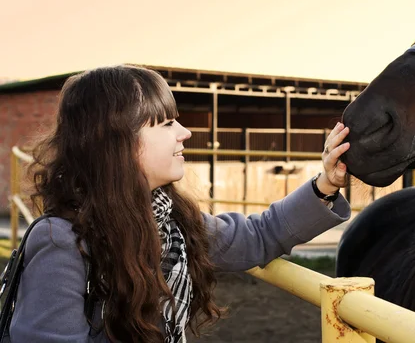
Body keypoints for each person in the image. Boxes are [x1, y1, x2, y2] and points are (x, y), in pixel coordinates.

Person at [9, 65, 351, 343]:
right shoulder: (62, 243)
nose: (185, 132)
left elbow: (256, 237)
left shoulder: (173, 221)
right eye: (167, 123)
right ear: (118, 143)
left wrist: (326, 184)